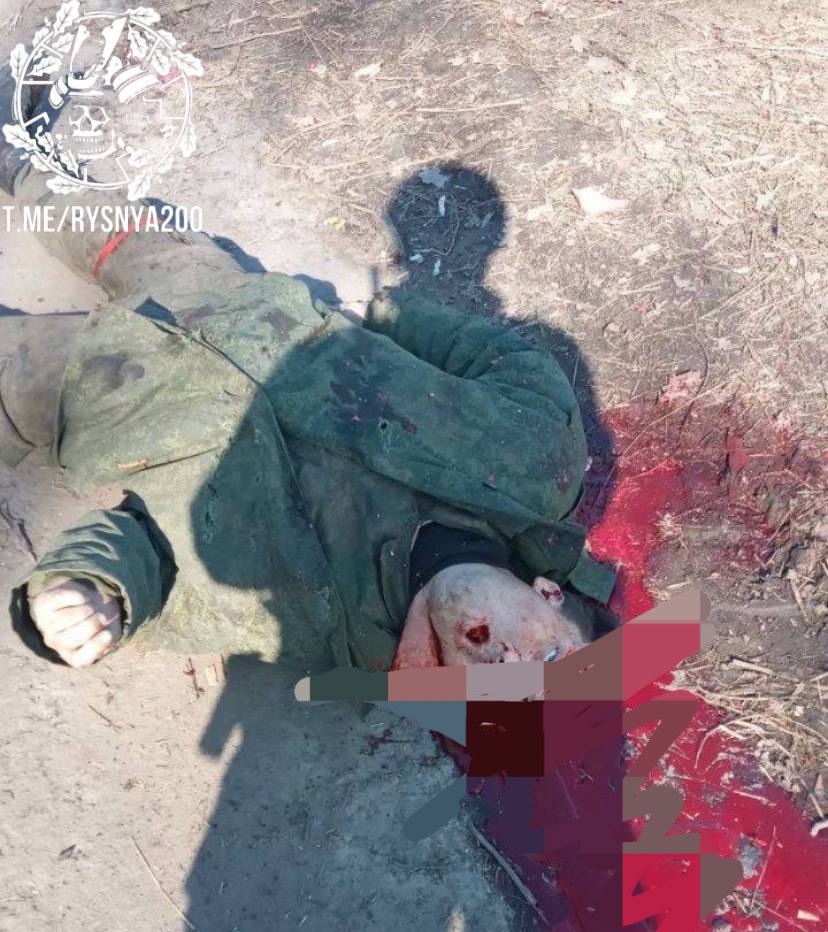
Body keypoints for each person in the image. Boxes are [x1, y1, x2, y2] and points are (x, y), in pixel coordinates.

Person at [1, 71, 615, 674]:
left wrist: (94, 592)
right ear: (549, 595)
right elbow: (502, 358)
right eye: (549, 656)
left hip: (105, 392)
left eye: (506, 690)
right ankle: (18, 161)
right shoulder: (537, 463)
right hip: (246, 309)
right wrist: (381, 316)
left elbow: (152, 554)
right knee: (124, 235)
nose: (509, 661)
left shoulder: (319, 623)